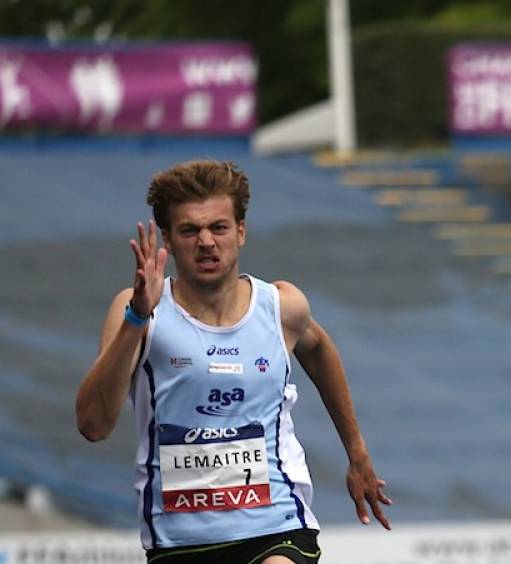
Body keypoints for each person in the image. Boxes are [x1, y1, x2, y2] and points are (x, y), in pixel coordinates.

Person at [76, 160, 391, 563]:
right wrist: (137, 318)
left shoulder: (281, 307)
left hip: (275, 525)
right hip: (178, 541)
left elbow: (319, 350)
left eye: (218, 228)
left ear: (240, 232)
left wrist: (357, 452)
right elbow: (92, 425)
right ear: (168, 240)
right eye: (190, 230)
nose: (206, 241)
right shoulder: (138, 312)